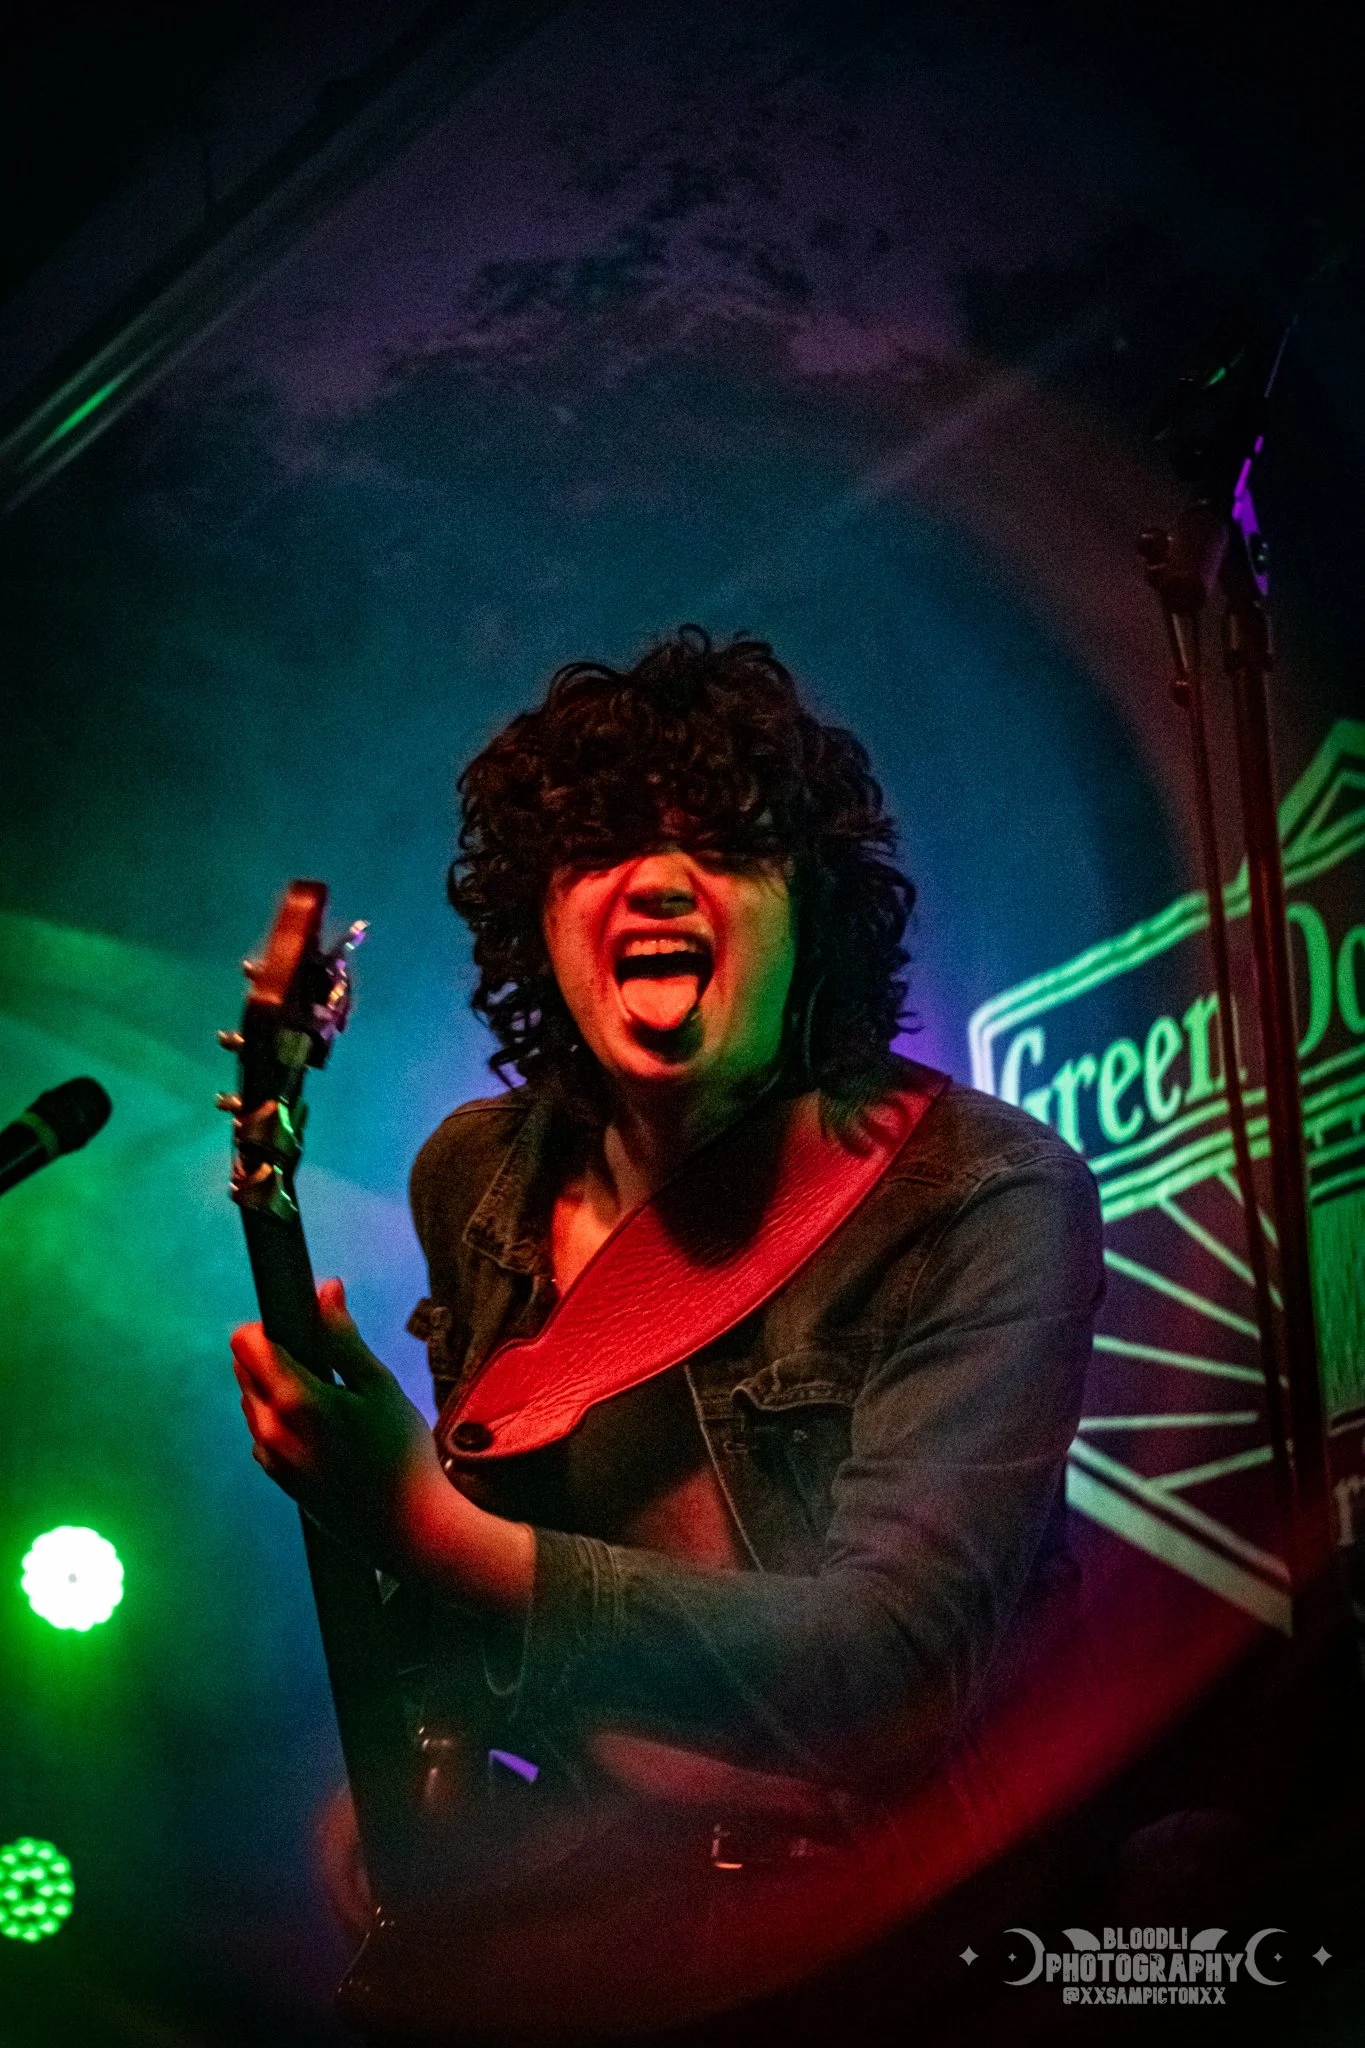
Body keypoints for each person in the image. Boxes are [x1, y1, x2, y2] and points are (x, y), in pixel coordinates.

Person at [230, 627, 1104, 2041]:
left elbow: (890, 1670)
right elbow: (495, 1628)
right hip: (579, 1923)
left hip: (882, 1942)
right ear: (541, 925)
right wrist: (430, 1787)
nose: (657, 875)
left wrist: (426, 1527)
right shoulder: (481, 1175)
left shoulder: (986, 1197)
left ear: (810, 917)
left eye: (731, 846)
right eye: (599, 848)